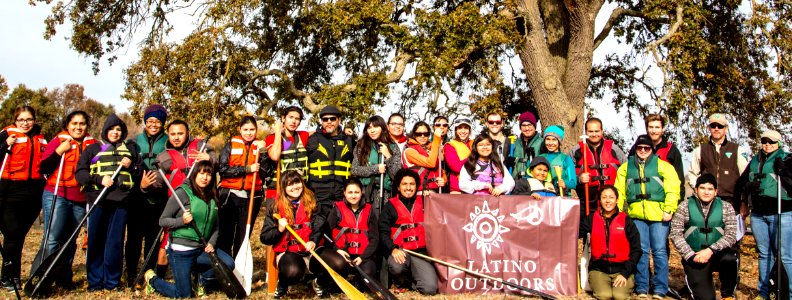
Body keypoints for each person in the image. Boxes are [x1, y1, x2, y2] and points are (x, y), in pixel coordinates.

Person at [144, 160, 234, 298]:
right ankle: (153, 281)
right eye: (201, 173)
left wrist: (211, 243)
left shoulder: (212, 196)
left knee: (228, 263)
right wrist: (182, 220)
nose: (205, 178)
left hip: (201, 249)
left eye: (209, 174)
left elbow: (215, 225)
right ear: (195, 174)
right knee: (184, 295)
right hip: (181, 251)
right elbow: (163, 220)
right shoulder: (182, 193)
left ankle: (201, 282)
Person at [76, 113, 141, 291]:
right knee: (95, 241)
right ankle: (95, 282)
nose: (115, 132)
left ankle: (112, 281)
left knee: (115, 242)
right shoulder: (93, 149)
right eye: (111, 129)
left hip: (120, 203)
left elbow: (139, 173)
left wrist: (132, 166)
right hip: (98, 200)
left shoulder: (130, 150)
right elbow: (80, 174)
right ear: (105, 131)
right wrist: (99, 179)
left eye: (118, 129)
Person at [145, 119, 216, 279]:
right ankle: (160, 276)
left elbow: (217, 164)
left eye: (180, 133)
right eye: (173, 134)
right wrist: (145, 186)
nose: (176, 137)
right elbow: (157, 182)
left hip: (202, 202)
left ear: (187, 133)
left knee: (201, 238)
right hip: (177, 204)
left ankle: (199, 277)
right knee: (166, 241)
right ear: (168, 135)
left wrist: (209, 158)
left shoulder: (200, 146)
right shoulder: (164, 157)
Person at [34, 110, 96, 287]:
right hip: (57, 194)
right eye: (74, 123)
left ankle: (63, 278)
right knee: (53, 238)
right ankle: (43, 279)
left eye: (82, 124)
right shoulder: (58, 141)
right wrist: (59, 151)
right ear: (68, 125)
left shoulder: (93, 144)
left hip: (79, 197)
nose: (78, 127)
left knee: (70, 240)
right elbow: (44, 167)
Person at [615, 134, 681, 298]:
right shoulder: (625, 168)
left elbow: (673, 188)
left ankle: (660, 288)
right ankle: (642, 287)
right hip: (636, 215)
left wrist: (669, 209)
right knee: (641, 251)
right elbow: (619, 191)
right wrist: (617, 213)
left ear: (652, 149)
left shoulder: (663, 166)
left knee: (659, 251)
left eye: (647, 148)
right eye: (640, 148)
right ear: (635, 149)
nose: (643, 150)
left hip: (659, 216)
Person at [737, 129, 791, 299]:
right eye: (765, 141)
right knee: (764, 254)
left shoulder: (787, 159)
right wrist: (748, 188)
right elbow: (741, 182)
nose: (768, 145)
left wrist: (785, 172)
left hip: (781, 214)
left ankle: (787, 294)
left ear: (779, 144)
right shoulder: (754, 160)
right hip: (758, 214)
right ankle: (764, 292)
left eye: (772, 142)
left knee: (784, 256)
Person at [669, 174, 738, 300]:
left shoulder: (726, 207)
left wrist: (710, 250)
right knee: (706, 298)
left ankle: (728, 295)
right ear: (696, 189)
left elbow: (732, 235)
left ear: (716, 191)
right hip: (695, 256)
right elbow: (675, 234)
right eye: (702, 188)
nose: (706, 192)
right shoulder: (684, 206)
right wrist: (690, 254)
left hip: (718, 254)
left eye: (710, 189)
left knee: (731, 259)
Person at [0, 106, 47, 289]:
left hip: (34, 191)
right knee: (12, 234)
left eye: (29, 119)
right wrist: (4, 146)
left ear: (34, 120)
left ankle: (10, 276)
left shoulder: (40, 138)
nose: (25, 123)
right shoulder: (6, 133)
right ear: (15, 120)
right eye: (21, 120)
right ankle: (10, 277)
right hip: (10, 189)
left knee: (19, 235)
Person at [260, 170, 325, 298]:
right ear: (284, 188)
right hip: (288, 254)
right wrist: (279, 229)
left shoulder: (312, 200)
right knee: (293, 271)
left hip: (310, 251)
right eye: (290, 185)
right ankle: (283, 283)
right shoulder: (275, 206)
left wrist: (313, 240)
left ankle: (318, 282)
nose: (295, 187)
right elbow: (265, 237)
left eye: (297, 182)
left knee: (338, 263)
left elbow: (319, 224)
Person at [126, 104, 170, 284]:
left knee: (153, 238)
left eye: (158, 121)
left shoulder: (168, 141)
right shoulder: (134, 141)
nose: (153, 124)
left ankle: (148, 273)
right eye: (150, 121)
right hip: (137, 197)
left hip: (159, 199)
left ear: (163, 123)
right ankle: (130, 274)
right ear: (145, 122)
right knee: (134, 238)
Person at [379, 168, 438, 295]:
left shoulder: (425, 201)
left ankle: (413, 280)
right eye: (404, 184)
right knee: (396, 266)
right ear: (399, 187)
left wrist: (434, 195)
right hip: (401, 251)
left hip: (420, 253)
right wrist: (393, 249)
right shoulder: (390, 206)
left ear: (417, 186)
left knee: (430, 289)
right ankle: (402, 282)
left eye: (412, 184)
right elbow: (383, 232)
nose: (408, 187)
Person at [579, 186, 641, 300]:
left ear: (617, 200)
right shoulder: (591, 219)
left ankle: (626, 284)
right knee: (604, 295)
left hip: (622, 270)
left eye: (611, 197)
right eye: (604, 197)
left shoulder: (626, 221)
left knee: (620, 296)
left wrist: (625, 273)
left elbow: (637, 250)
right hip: (599, 270)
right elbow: (575, 233)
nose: (608, 201)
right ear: (600, 200)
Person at [217, 115, 267, 257]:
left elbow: (265, 173)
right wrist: (247, 169)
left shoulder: (261, 146)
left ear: (256, 130)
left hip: (251, 196)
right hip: (229, 195)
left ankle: (238, 272)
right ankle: (225, 269)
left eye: (252, 129)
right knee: (225, 236)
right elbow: (223, 170)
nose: (249, 132)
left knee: (243, 236)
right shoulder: (230, 145)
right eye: (245, 129)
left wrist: (263, 153)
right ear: (239, 129)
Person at [687, 113, 750, 214]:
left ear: (726, 129)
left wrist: (744, 201)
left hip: (732, 201)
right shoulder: (700, 150)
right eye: (713, 126)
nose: (716, 129)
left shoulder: (738, 150)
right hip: (707, 202)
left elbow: (745, 178)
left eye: (720, 126)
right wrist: (699, 190)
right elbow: (692, 173)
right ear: (709, 128)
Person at [324, 179, 379, 288]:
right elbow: (325, 234)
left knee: (369, 272)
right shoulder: (337, 209)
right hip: (341, 254)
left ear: (361, 192)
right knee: (337, 265)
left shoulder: (369, 210)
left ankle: (358, 282)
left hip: (361, 255)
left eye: (356, 192)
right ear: (344, 193)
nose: (353, 196)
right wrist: (337, 249)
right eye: (350, 192)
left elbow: (375, 238)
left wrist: (363, 257)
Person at [307, 105, 356, 219]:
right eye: (325, 119)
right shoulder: (313, 139)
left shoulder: (349, 140)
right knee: (319, 229)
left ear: (339, 120)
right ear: (321, 122)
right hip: (318, 195)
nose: (329, 122)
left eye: (333, 119)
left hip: (342, 194)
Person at [571, 117, 626, 217]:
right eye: (590, 131)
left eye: (597, 131)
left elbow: (626, 168)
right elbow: (567, 175)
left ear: (602, 131)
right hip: (587, 202)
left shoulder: (613, 148)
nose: (594, 134)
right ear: (586, 132)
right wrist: (579, 179)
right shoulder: (577, 151)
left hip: (610, 202)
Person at [351, 115, 401, 215]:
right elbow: (354, 170)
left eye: (376, 127)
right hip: (365, 193)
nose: (372, 130)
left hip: (385, 194)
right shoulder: (361, 145)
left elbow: (397, 175)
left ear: (382, 128)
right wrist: (376, 168)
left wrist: (388, 157)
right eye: (369, 128)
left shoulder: (392, 146)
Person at [265, 106, 311, 201]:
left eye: (297, 119)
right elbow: (274, 156)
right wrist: (278, 132)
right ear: (283, 118)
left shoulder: (303, 136)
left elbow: (321, 132)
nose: (293, 121)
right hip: (277, 192)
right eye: (291, 117)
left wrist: (342, 131)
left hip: (298, 192)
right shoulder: (271, 138)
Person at [634, 114, 684, 192]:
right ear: (647, 129)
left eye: (657, 127)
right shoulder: (637, 149)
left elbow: (679, 179)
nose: (654, 131)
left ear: (662, 129)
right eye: (651, 127)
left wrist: (678, 200)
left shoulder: (672, 150)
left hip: (664, 199)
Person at [402, 121, 446, 194]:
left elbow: (440, 170)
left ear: (429, 135)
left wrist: (443, 179)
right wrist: (436, 139)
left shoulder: (431, 150)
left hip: (436, 192)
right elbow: (430, 163)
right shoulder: (409, 151)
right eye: (419, 134)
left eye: (426, 134)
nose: (422, 136)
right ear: (414, 135)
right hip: (419, 192)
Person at [538, 125, 577, 196]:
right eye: (548, 139)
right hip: (542, 196)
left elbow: (573, 182)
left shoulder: (566, 159)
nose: (550, 143)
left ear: (559, 142)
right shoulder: (539, 158)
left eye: (554, 140)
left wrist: (564, 183)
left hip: (561, 196)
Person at [443, 118, 473, 194]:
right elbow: (456, 167)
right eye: (460, 128)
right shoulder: (450, 146)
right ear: (455, 130)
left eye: (466, 128)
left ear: (470, 130)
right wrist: (473, 156)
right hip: (458, 187)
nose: (463, 131)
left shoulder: (475, 143)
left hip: (475, 186)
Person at [510, 110, 543, 179]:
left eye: (529, 125)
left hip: (534, 182)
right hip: (516, 182)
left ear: (535, 126)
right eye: (524, 125)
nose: (527, 128)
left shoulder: (542, 143)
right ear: (520, 127)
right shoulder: (515, 144)